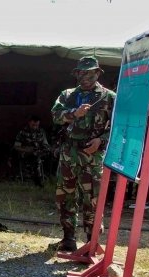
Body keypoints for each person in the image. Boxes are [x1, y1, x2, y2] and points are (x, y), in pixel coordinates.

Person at [51, 56, 115, 251]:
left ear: (97, 73)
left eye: (89, 73)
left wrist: (101, 141)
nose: (85, 77)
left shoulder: (109, 97)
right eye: (81, 73)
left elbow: (117, 127)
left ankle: (91, 241)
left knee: (93, 198)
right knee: (65, 195)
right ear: (76, 74)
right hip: (69, 153)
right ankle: (68, 238)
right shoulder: (68, 95)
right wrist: (73, 114)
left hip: (92, 155)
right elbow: (55, 116)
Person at [12, 115, 50, 187]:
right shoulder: (22, 132)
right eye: (33, 125)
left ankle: (43, 178)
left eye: (36, 125)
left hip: (39, 152)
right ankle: (38, 181)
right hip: (26, 154)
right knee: (35, 159)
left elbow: (45, 143)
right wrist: (26, 149)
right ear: (29, 123)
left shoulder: (41, 131)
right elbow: (16, 147)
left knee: (44, 154)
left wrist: (45, 149)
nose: (35, 127)